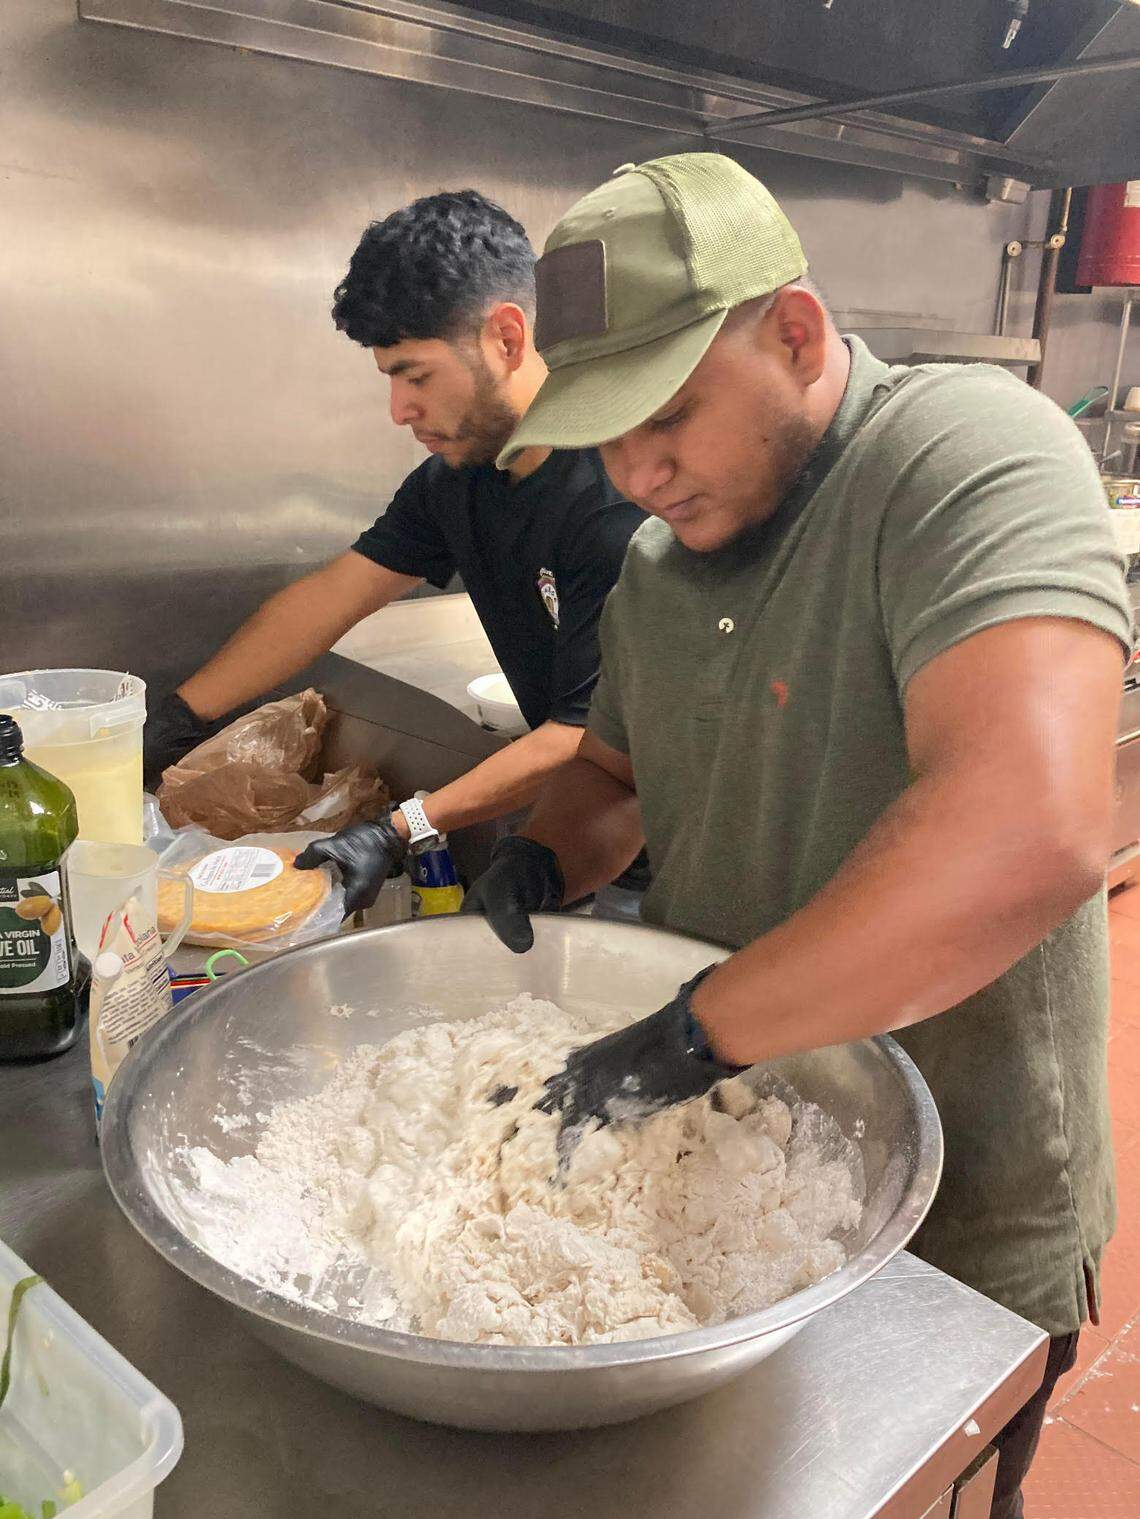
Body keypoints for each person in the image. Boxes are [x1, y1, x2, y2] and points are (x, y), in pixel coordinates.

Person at [462, 153, 1130, 1518]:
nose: (634, 470)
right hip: (719, 1178)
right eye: (604, 432)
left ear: (798, 333)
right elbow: (618, 772)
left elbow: (1031, 825)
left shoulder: (957, 452)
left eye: (668, 415)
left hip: (955, 1215)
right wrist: (547, 848)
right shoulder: (659, 568)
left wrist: (694, 1029)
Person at [143, 190, 643, 909]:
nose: (399, 410)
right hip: (578, 832)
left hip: (669, 848)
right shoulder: (459, 479)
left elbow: (583, 733)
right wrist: (174, 721)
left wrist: (401, 826)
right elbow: (329, 598)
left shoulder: (609, 499)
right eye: (391, 379)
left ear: (508, 337)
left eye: (416, 375)